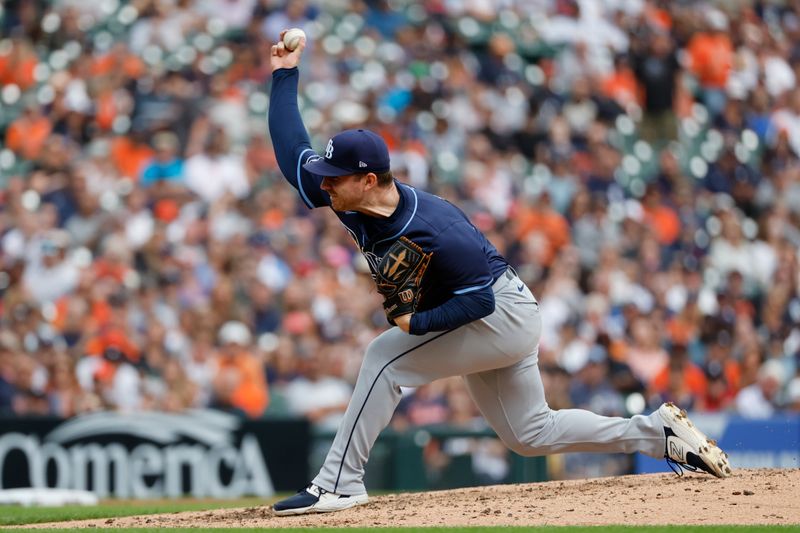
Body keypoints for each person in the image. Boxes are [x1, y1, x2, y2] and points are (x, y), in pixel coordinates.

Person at [267, 31, 731, 516]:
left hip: (498, 311)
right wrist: (284, 74)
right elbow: (291, 152)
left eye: (334, 176)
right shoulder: (347, 198)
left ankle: (340, 482)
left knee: (384, 358)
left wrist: (418, 324)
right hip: (491, 316)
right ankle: (657, 433)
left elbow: (478, 303)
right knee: (531, 434)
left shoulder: (438, 227)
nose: (324, 182)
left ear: (368, 181)